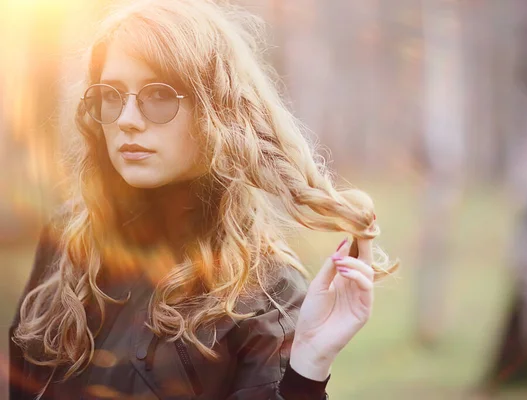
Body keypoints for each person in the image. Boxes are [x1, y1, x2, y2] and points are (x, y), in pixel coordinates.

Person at [8, 0, 398, 399]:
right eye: (112, 94)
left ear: (215, 111)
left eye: (158, 94)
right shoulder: (68, 240)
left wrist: (308, 368)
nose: (126, 118)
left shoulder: (267, 293)